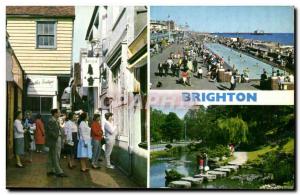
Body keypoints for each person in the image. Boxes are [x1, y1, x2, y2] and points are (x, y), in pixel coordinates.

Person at [46, 109, 67, 177]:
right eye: (59, 112)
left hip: (57, 139)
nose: (60, 113)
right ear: (55, 113)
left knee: (54, 155)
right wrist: (56, 136)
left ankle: (52, 170)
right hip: (55, 140)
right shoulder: (52, 120)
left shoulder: (55, 120)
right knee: (56, 155)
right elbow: (50, 131)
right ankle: (59, 171)